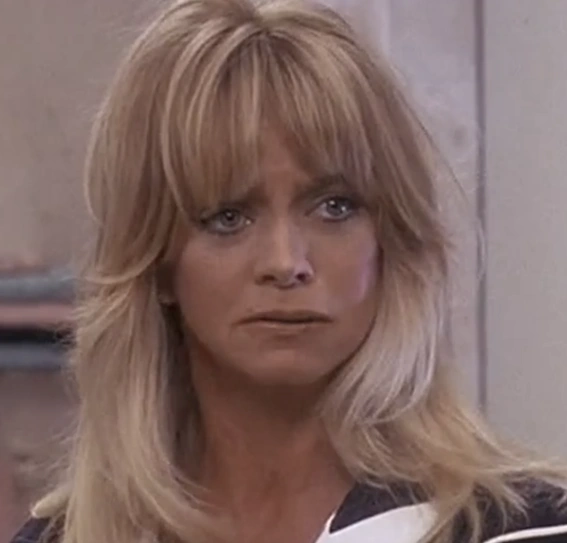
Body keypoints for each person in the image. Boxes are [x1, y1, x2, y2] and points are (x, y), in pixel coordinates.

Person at [10, 1, 567, 542]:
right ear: (156, 261)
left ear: (392, 240)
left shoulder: (522, 528)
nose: (286, 263)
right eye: (228, 217)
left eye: (334, 208)